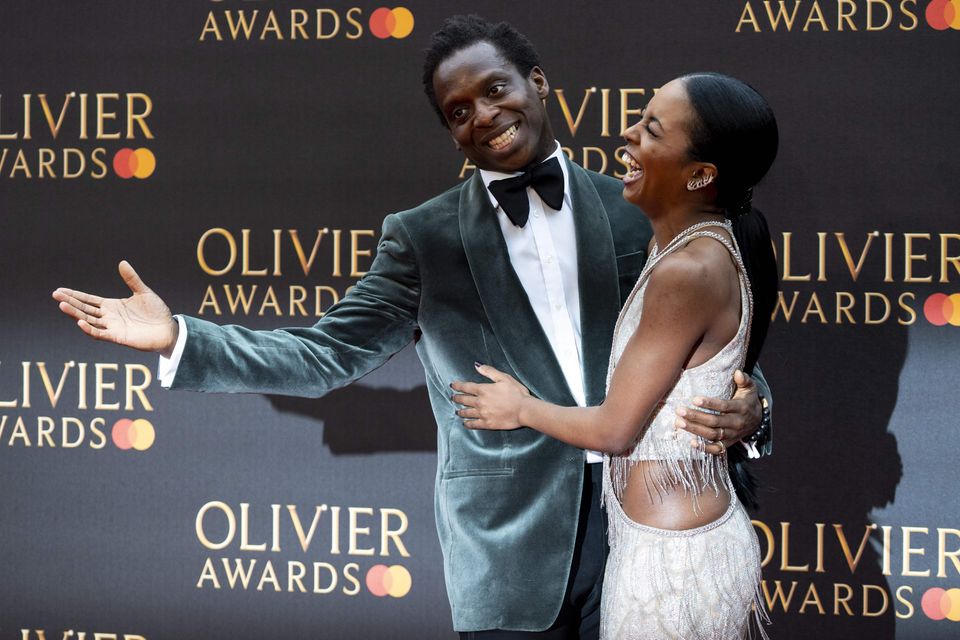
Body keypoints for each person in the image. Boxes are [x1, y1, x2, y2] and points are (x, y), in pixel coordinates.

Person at [52, 17, 770, 639]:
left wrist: (753, 402)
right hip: (509, 555)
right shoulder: (422, 239)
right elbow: (323, 353)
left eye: (494, 90)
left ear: (539, 82)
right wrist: (181, 336)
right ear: (452, 134)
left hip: (645, 533)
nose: (483, 115)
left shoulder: (635, 206)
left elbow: (698, 338)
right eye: (459, 111)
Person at [451, 73, 779, 639]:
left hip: (669, 563)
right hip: (641, 544)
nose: (626, 134)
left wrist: (520, 408)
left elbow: (616, 429)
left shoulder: (687, 265)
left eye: (652, 128)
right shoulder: (680, 238)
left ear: (701, 174)